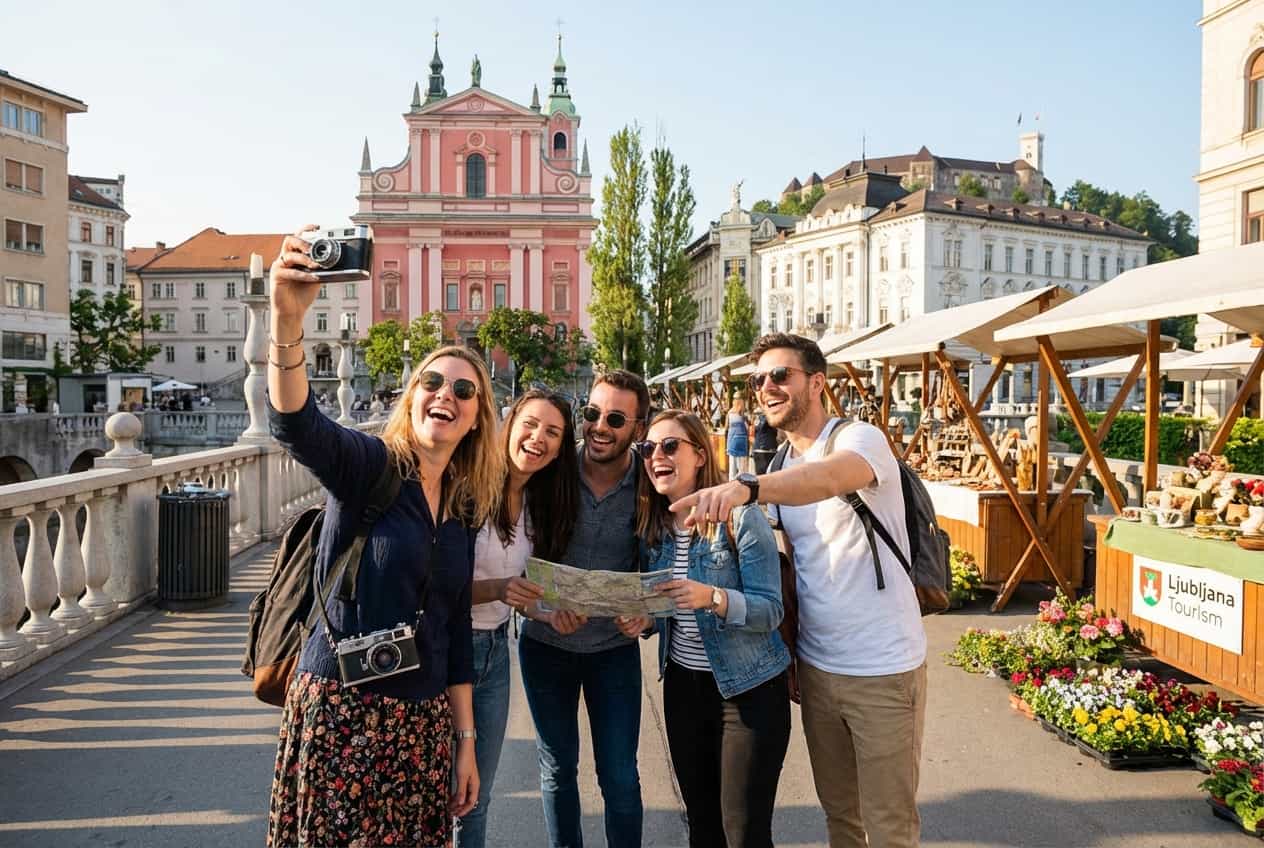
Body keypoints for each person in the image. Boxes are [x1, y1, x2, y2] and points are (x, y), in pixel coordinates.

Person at [265, 225, 502, 848]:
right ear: (410, 395)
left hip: (420, 726)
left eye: (462, 389)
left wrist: (465, 743)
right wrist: (286, 322)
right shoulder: (367, 465)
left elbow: (451, 628)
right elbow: (296, 424)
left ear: (477, 417)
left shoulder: (462, 505)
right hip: (343, 710)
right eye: (431, 382)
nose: (443, 395)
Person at [672, 333, 928, 848]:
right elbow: (790, 569)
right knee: (840, 817)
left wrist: (748, 488)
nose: (767, 387)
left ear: (817, 382)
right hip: (816, 668)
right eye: (758, 379)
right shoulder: (779, 465)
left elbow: (831, 480)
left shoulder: (859, 440)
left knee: (890, 825)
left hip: (883, 666)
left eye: (780, 375)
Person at [618, 410, 790, 848]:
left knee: (744, 834)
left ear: (700, 455)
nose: (657, 455)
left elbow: (771, 610)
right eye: (649, 448)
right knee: (703, 827)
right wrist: (646, 620)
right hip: (684, 688)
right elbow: (666, 605)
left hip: (748, 692)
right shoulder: (653, 529)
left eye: (670, 446)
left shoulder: (740, 517)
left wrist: (712, 597)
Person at [517, 369, 649, 848]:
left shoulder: (649, 484)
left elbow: (658, 564)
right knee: (557, 770)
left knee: (619, 776)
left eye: (615, 418)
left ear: (638, 428)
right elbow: (515, 558)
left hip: (613, 651)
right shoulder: (551, 472)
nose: (599, 427)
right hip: (545, 647)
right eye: (592, 413)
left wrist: (645, 615)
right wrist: (543, 611)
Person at [457, 389, 580, 848]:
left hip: (494, 653)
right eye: (530, 424)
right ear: (508, 423)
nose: (538, 438)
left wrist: (545, 614)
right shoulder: (465, 487)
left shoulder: (535, 503)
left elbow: (517, 592)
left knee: (476, 795)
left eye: (552, 432)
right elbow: (428, 589)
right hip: (446, 650)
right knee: (441, 789)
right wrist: (499, 591)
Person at [724, 396, 751, 480]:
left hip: (732, 440)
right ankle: (741, 482)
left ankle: (731, 481)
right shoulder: (743, 412)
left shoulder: (730, 412)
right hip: (741, 440)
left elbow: (726, 428)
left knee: (732, 465)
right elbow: (749, 426)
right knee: (742, 466)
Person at [751, 405, 779, 475]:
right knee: (768, 476)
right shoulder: (769, 417)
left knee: (760, 476)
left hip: (758, 448)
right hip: (767, 449)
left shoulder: (757, 417)